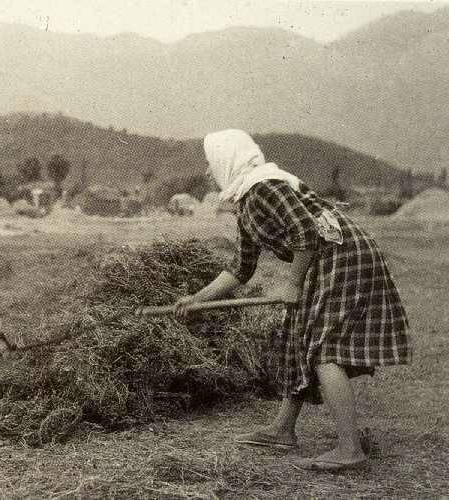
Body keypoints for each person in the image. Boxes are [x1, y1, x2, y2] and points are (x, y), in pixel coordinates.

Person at [175, 129, 411, 471]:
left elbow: (305, 232)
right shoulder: (247, 201)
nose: (209, 172)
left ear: (228, 160)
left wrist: (293, 284)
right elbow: (241, 268)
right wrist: (196, 298)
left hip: (342, 255)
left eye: (211, 163)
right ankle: (282, 430)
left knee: (323, 348)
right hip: (326, 258)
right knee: (299, 338)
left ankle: (350, 450)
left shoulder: (264, 188)